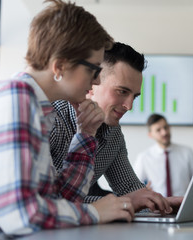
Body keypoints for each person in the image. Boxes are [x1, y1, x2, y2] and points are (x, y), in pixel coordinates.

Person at [0, 1, 135, 239]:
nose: (97, 81)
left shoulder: (35, 107)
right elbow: (21, 217)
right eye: (94, 70)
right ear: (60, 65)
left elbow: (60, 201)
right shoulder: (14, 99)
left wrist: (86, 134)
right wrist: (94, 212)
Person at [50, 42, 179, 214]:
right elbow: (47, 198)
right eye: (122, 91)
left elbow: (130, 189)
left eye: (134, 96)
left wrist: (160, 203)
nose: (129, 106)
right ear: (92, 83)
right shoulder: (51, 120)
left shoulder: (113, 134)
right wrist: (123, 202)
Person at [134, 113, 193, 197]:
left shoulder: (187, 152)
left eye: (165, 127)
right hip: (157, 207)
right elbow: (135, 186)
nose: (164, 132)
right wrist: (144, 191)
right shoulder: (144, 157)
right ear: (150, 135)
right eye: (158, 130)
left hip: (183, 203)